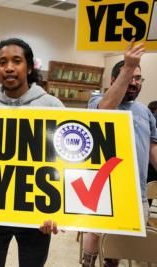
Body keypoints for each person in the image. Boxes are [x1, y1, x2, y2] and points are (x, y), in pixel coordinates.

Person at [0, 38, 61, 267]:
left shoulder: (52, 106)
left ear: (28, 67)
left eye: (16, 61)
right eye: (2, 62)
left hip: (37, 209)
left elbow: (60, 162)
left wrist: (57, 209)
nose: (8, 67)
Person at [82, 39, 157, 267]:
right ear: (114, 79)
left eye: (138, 78)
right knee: (95, 236)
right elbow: (105, 111)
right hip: (101, 189)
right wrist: (128, 66)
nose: (134, 83)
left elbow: (153, 146)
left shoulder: (144, 111)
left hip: (136, 192)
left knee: (121, 241)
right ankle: (87, 262)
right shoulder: (98, 101)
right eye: (129, 77)